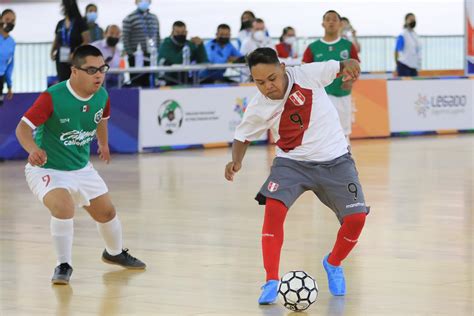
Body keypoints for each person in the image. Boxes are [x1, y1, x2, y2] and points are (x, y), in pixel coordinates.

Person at [224, 48, 368, 304]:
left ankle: (333, 263)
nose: (268, 86)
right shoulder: (259, 106)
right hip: (292, 163)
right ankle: (270, 280)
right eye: (259, 82)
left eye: (272, 78)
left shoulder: (307, 74)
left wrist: (352, 65)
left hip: (336, 160)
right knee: (273, 209)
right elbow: (242, 135)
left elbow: (344, 63)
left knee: (356, 219)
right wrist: (236, 160)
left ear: (282, 67)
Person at [15, 45, 146, 285]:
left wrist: (103, 144)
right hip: (47, 168)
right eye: (92, 69)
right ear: (75, 71)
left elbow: (102, 119)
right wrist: (33, 149)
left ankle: (114, 253)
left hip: (81, 167)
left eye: (102, 69)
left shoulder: (102, 95)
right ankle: (63, 264)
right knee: (64, 207)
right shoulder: (53, 96)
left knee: (107, 213)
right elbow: (22, 128)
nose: (99, 75)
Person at [302, 10, 360, 143]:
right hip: (319, 96)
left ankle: (345, 160)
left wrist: (350, 81)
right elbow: (304, 71)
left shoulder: (348, 45)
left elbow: (356, 67)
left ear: (340, 24)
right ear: (323, 23)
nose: (331, 22)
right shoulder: (313, 47)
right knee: (319, 132)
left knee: (343, 132)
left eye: (334, 19)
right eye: (328, 19)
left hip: (341, 95)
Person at [122, 0, 160, 87]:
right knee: (137, 83)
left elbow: (157, 35)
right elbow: (125, 38)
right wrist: (131, 54)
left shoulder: (154, 18)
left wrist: (156, 51)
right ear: (136, 2)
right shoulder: (129, 18)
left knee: (151, 83)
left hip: (152, 56)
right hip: (136, 57)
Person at [158, 21, 208, 85]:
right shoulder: (166, 44)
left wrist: (200, 45)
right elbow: (177, 61)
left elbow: (204, 61)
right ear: (172, 33)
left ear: (186, 32)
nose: (180, 35)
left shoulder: (188, 44)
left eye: (183, 32)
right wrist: (189, 45)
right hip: (166, 80)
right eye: (178, 32)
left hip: (185, 79)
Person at [51, 0, 90, 82]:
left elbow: (86, 40)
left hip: (76, 57)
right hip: (61, 57)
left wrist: (75, 52)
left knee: (76, 81)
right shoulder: (60, 23)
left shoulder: (80, 22)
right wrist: (52, 51)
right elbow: (57, 39)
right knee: (63, 80)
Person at [0, 9, 16, 106]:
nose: (10, 22)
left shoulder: (12, 42)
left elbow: (10, 65)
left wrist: (9, 86)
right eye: (7, 19)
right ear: (1, 19)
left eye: (13, 21)